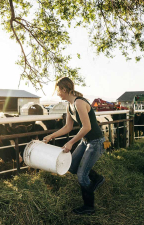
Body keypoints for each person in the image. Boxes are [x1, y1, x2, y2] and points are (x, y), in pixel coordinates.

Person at [43, 77, 105, 215]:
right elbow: (68, 127)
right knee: (71, 166)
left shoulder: (79, 103)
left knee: (82, 176)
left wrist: (70, 142)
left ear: (64, 90)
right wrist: (51, 136)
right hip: (86, 141)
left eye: (58, 90)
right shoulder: (69, 105)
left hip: (95, 142)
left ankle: (89, 206)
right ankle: (96, 179)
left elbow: (87, 127)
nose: (57, 93)